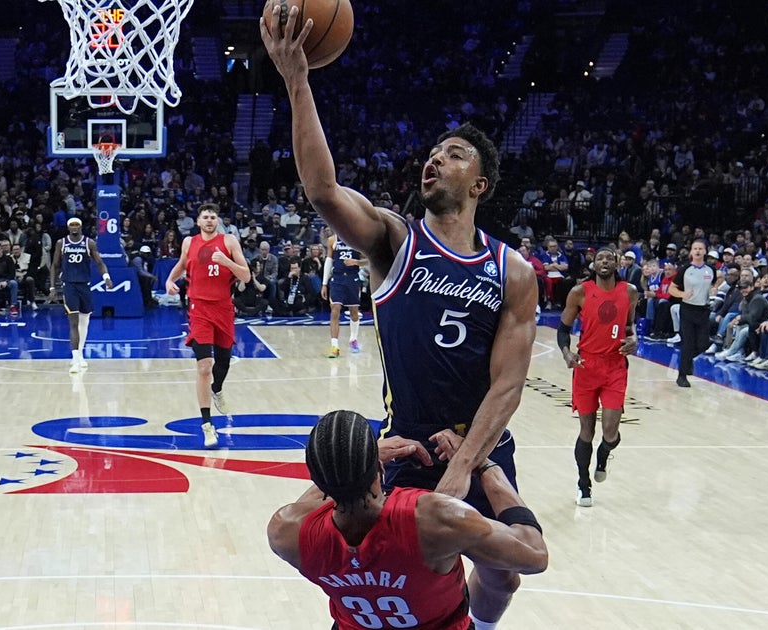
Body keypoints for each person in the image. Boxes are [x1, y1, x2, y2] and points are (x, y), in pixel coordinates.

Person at [263, 12, 538, 628]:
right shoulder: (394, 240)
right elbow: (323, 190)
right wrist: (298, 81)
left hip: (481, 442)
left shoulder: (511, 270)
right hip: (409, 438)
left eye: (455, 154)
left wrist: (467, 465)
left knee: (505, 572)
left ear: (481, 184)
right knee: (405, 569)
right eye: (434, 153)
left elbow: (509, 384)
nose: (436, 160)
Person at [267, 411, 548, 630]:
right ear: (378, 466)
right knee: (501, 584)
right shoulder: (431, 518)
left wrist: (359, 461)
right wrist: (484, 464)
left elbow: (305, 507)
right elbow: (534, 555)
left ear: (316, 481)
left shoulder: (285, 533)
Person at [557, 247, 639, 507]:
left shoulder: (630, 292)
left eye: (609, 258)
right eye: (599, 258)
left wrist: (634, 339)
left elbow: (629, 325)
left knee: (610, 432)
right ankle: (584, 484)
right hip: (586, 366)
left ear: (617, 264)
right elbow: (563, 329)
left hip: (615, 365)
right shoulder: (579, 292)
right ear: (593, 264)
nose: (604, 261)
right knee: (586, 430)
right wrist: (566, 352)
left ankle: (604, 455)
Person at [165, 203, 251, 448]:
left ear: (218, 221)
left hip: (223, 308)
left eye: (213, 217)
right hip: (199, 309)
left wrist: (227, 262)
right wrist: (170, 279)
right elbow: (183, 264)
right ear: (198, 221)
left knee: (223, 363)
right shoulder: (189, 242)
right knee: (204, 366)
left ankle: (218, 389)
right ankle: (207, 425)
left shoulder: (229, 242)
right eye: (206, 217)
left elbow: (246, 276)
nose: (210, 220)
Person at [50, 217, 113, 373]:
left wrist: (106, 277)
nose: (74, 227)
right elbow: (55, 265)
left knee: (84, 322)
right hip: (69, 285)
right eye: (72, 225)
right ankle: (75, 359)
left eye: (77, 224)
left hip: (84, 284)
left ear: (81, 226)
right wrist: (52, 287)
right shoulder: (61, 243)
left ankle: (80, 355)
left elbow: (99, 262)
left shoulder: (89, 243)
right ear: (68, 227)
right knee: (73, 321)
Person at [669, 239, 718, 387]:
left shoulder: (710, 270)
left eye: (700, 248)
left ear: (705, 251)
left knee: (704, 343)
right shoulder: (684, 269)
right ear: (691, 251)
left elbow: (713, 285)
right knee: (688, 343)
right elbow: (672, 289)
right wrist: (682, 294)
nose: (697, 251)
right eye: (695, 248)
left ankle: (687, 361)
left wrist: (712, 291)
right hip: (688, 309)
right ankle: (682, 375)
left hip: (703, 310)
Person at [323, 232, 365, 357]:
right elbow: (328, 261)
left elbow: (369, 260)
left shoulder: (358, 239)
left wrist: (357, 262)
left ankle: (353, 339)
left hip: (353, 279)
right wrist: (324, 283)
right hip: (337, 279)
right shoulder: (332, 240)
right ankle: (334, 346)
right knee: (335, 309)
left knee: (354, 312)